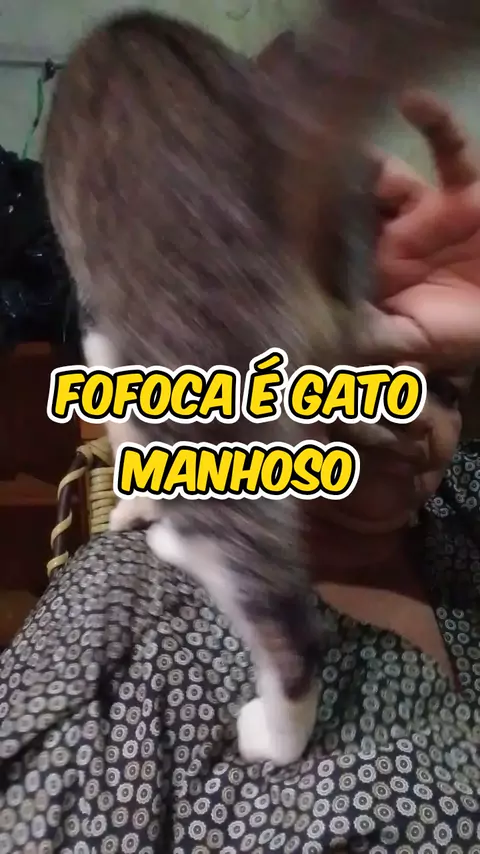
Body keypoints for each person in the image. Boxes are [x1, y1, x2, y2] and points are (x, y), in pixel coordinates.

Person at [2, 93, 480, 854]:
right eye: (365, 367)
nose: (415, 414)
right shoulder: (130, 609)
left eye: (445, 388)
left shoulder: (462, 509)